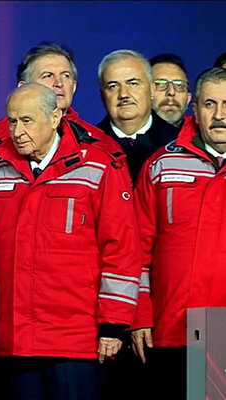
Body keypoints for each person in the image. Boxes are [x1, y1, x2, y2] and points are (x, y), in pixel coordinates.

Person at [0, 83, 140, 399]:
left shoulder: (98, 166)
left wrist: (114, 324)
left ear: (55, 117)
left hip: (77, 341)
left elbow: (122, 248)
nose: (17, 132)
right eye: (12, 121)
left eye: (27, 121)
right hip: (18, 340)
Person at [131, 67, 226, 399]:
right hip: (172, 326)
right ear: (195, 109)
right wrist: (140, 315)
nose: (219, 115)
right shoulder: (161, 165)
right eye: (210, 104)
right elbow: (136, 249)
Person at [97, 49, 179, 182]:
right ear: (102, 96)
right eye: (113, 86)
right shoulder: (89, 146)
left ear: (152, 90)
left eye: (133, 84)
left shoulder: (178, 143)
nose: (123, 94)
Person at [149, 53, 192, 128]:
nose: (171, 92)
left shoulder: (202, 132)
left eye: (179, 85)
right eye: (160, 84)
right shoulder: (129, 133)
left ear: (188, 99)